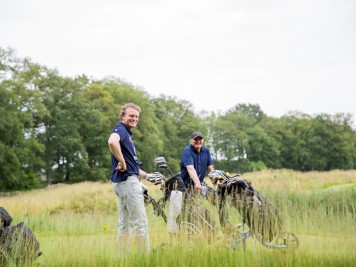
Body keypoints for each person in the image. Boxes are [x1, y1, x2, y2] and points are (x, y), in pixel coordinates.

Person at [108, 103, 153, 256]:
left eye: (136, 117)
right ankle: (144, 260)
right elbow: (112, 142)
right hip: (128, 182)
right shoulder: (120, 129)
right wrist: (123, 161)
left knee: (124, 225)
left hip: (122, 183)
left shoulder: (127, 134)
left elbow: (133, 167)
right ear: (123, 116)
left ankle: (123, 260)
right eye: (131, 116)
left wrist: (147, 176)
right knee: (141, 224)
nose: (134, 119)